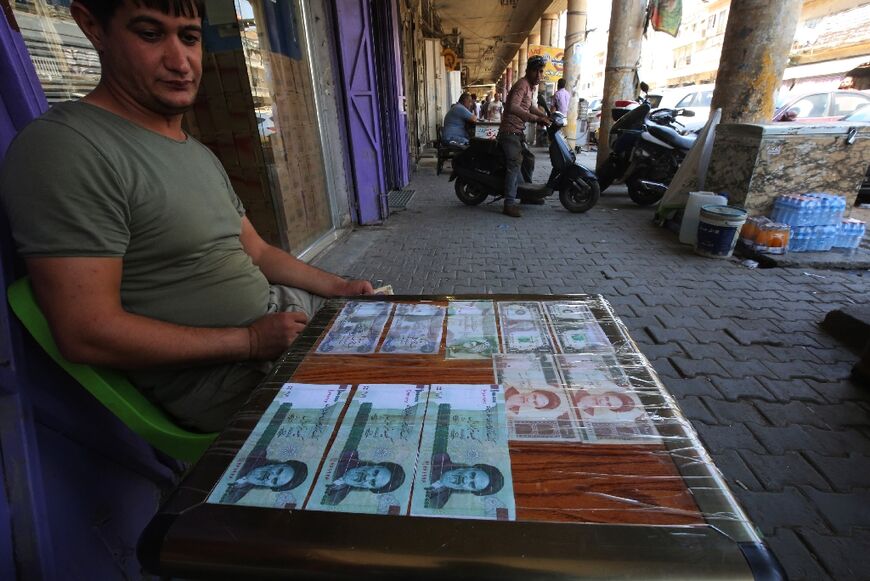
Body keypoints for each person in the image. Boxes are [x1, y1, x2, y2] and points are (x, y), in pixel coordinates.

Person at [0, 0, 374, 433]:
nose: (180, 62)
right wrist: (250, 341)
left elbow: (257, 251)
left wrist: (341, 288)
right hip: (236, 377)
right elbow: (86, 331)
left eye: (190, 37)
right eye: (150, 34)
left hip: (283, 325)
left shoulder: (193, 151)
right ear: (92, 28)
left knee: (436, 344)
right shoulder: (66, 149)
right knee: (413, 399)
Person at [497, 56, 550, 218]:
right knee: (514, 165)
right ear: (529, 71)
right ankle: (509, 203)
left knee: (529, 160)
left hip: (518, 132)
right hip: (509, 132)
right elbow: (512, 106)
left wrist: (546, 116)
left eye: (541, 72)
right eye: (537, 71)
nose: (539, 75)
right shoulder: (522, 85)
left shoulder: (529, 87)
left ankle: (527, 196)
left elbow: (530, 106)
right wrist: (535, 119)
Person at [319, 450, 406, 506]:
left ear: (369, 488)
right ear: (374, 466)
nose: (367, 477)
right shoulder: (348, 454)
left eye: (372, 482)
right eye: (375, 472)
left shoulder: (335, 498)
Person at [424, 452, 505, 510]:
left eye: (472, 485)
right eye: (472, 475)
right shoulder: (440, 457)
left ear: (472, 490)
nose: (465, 480)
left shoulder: (437, 503)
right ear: (472, 468)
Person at [221, 459, 308, 505]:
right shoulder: (257, 452)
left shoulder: (233, 498)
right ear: (275, 465)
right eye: (279, 471)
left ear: (271, 486)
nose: (270, 476)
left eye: (274, 481)